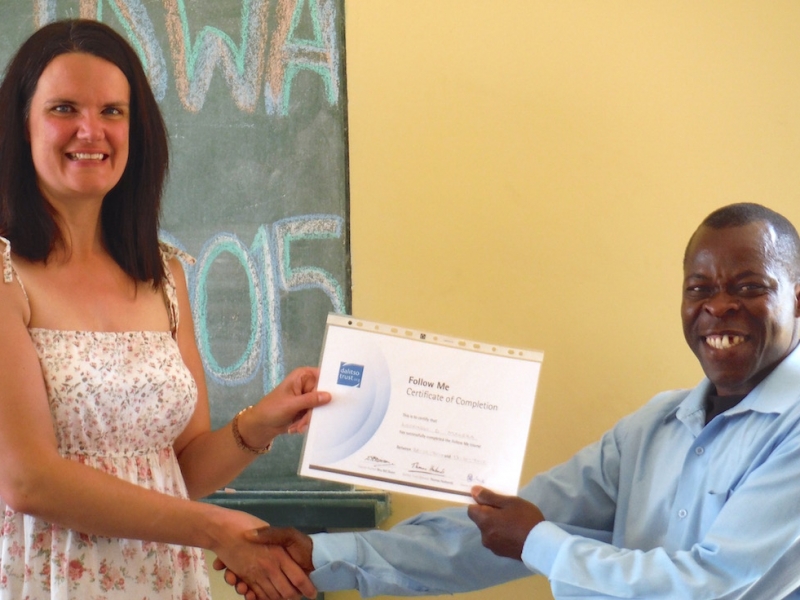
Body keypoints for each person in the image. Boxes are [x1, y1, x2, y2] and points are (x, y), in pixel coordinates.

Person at [220, 202, 800, 599]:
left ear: (796, 299)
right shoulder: (653, 427)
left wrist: (539, 542)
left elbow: (716, 585)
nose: (718, 308)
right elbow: (494, 529)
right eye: (700, 288)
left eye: (750, 287)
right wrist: (321, 557)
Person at [0, 19, 325, 600]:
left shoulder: (163, 272)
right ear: (20, 126)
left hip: (161, 578)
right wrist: (217, 529)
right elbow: (28, 480)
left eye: (112, 112)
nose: (89, 130)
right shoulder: (5, 276)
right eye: (63, 108)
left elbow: (181, 470)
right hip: (45, 578)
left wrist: (261, 421)